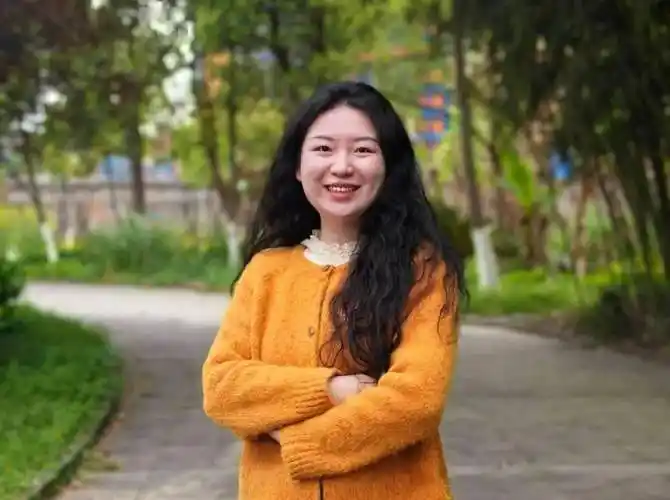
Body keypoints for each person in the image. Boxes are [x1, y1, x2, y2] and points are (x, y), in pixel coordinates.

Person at [202, 81, 465, 500]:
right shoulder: (265, 272)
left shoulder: (422, 270)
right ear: (298, 165)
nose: (341, 166)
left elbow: (416, 399)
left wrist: (295, 440)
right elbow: (222, 387)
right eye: (323, 148)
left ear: (388, 165)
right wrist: (333, 390)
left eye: (362, 150)